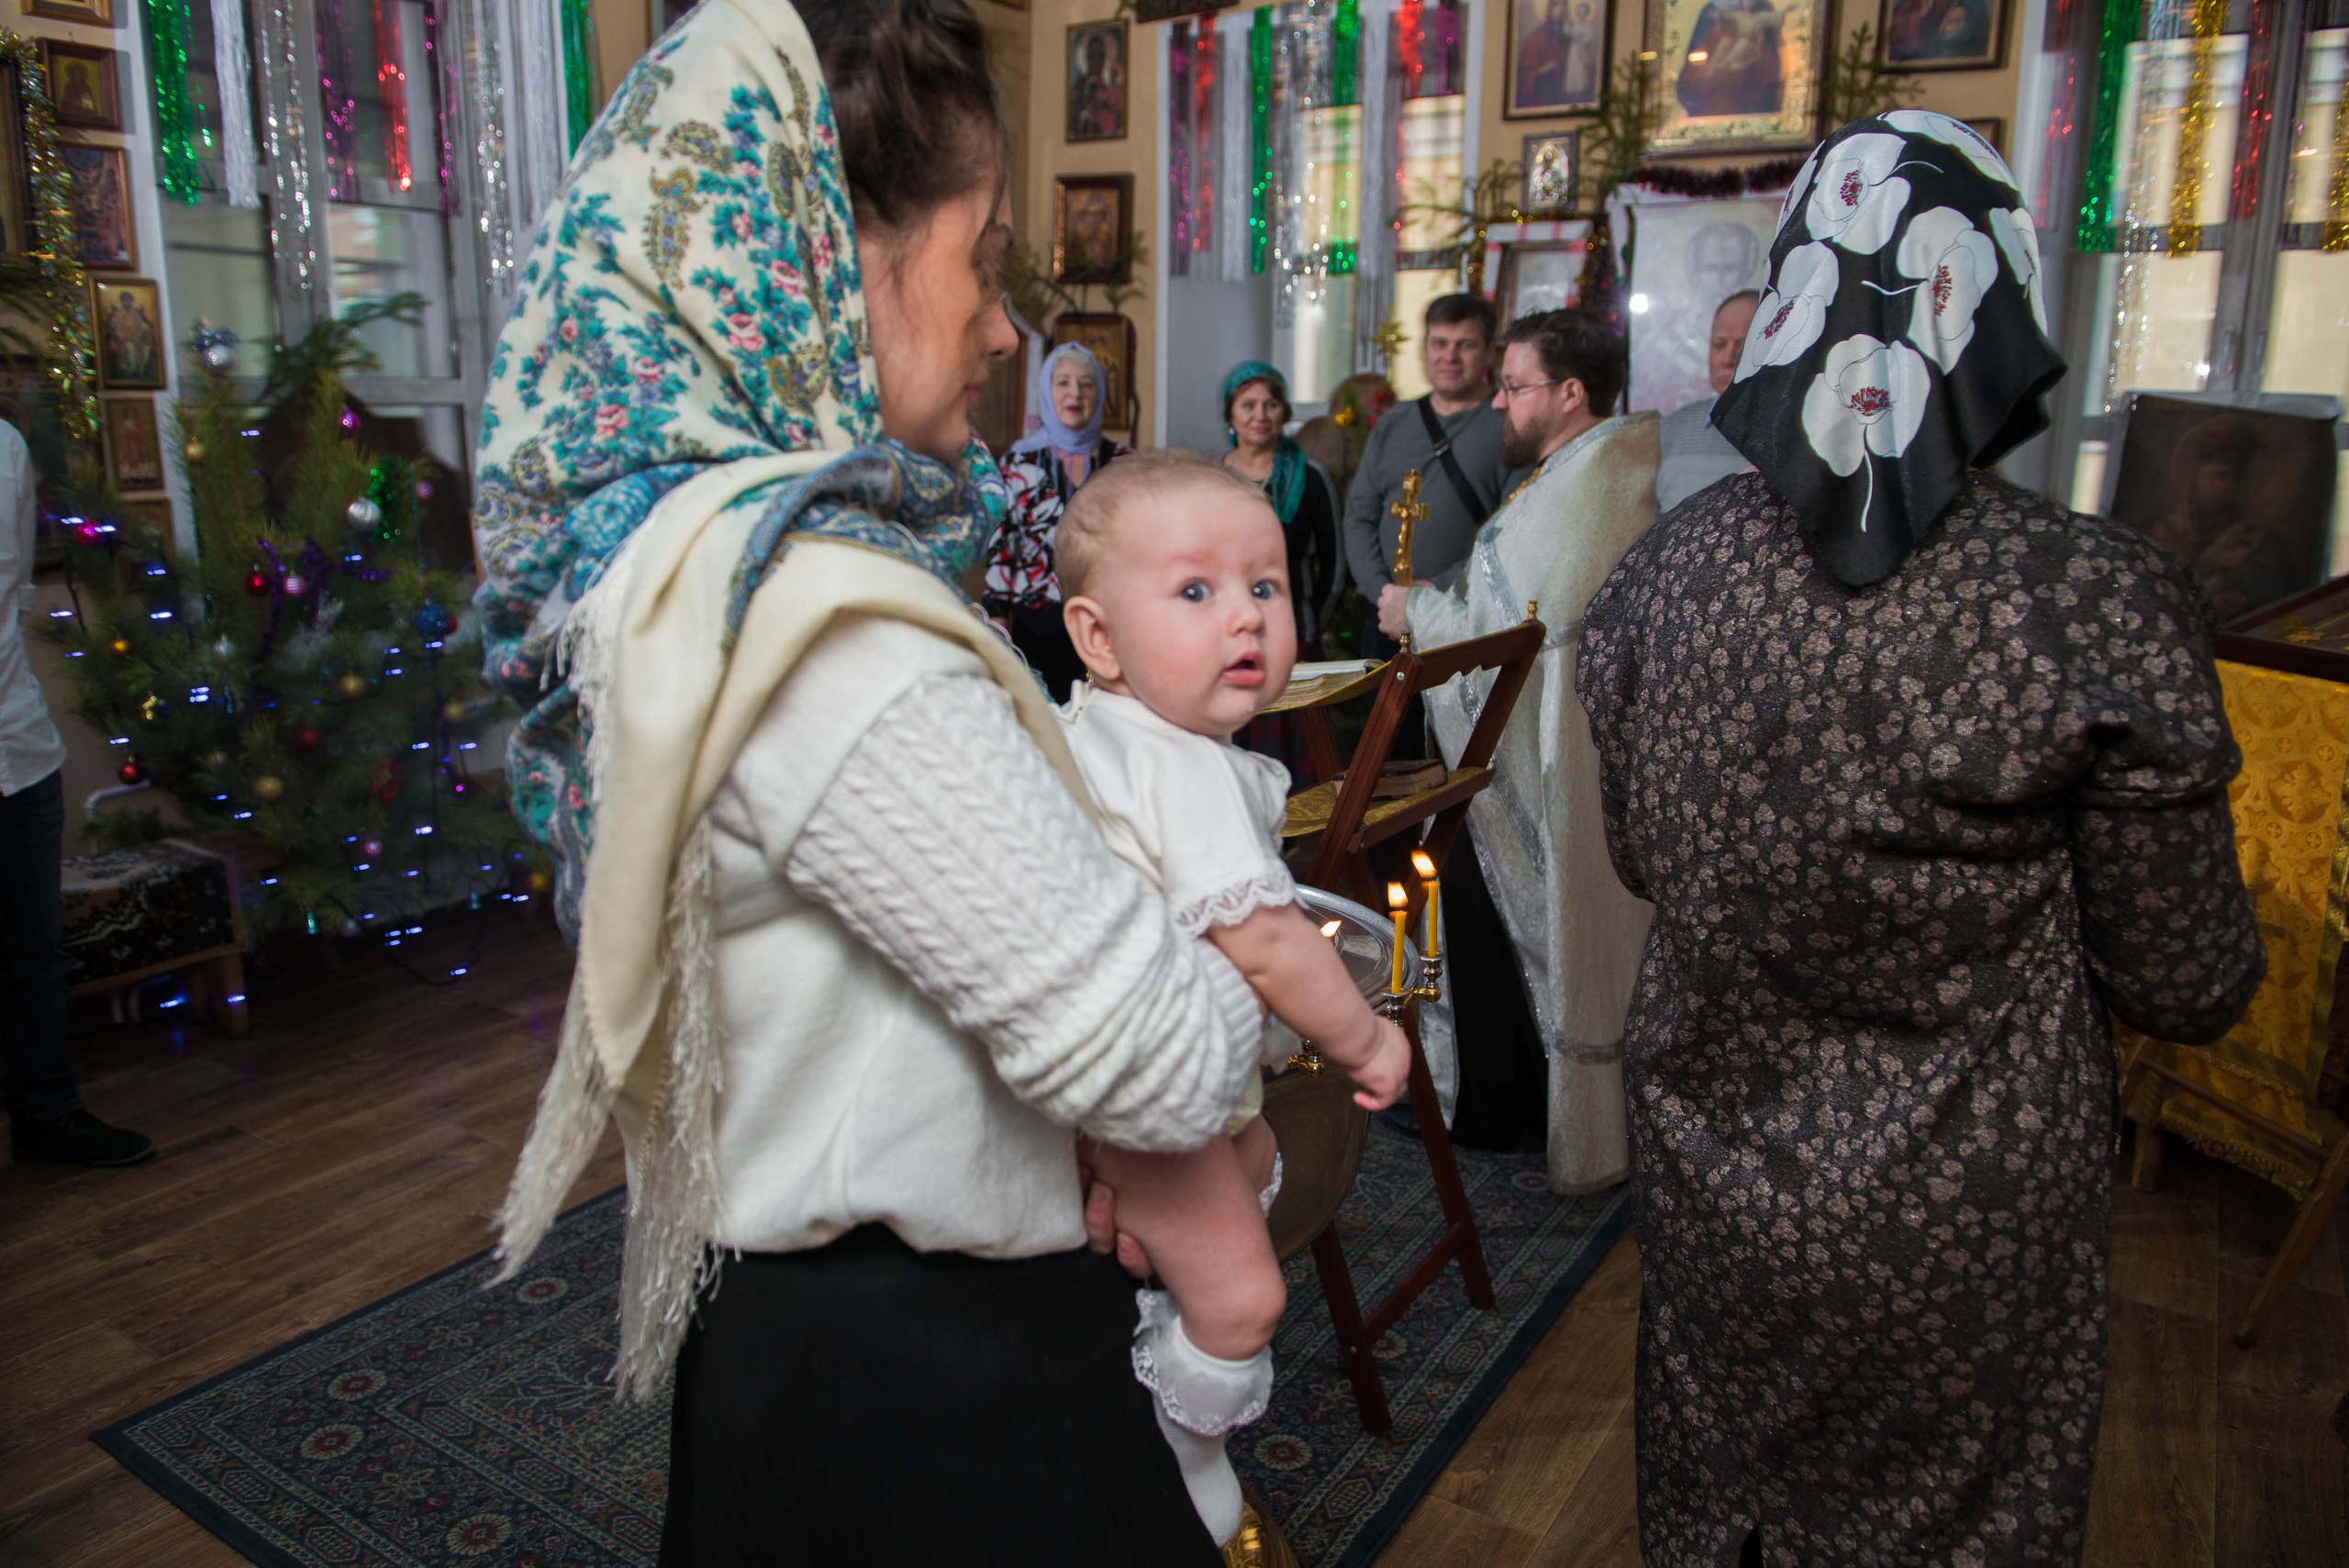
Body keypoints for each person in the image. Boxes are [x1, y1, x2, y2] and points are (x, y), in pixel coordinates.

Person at [473, 2, 1269, 1561]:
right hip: (940, 1382)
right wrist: (1238, 963)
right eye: (979, 263)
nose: (998, 329)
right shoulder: (815, 620)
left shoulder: (700, 565)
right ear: (828, 259)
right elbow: (1158, 1053)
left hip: (825, 1340)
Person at [1575, 113, 2266, 1564]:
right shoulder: (2089, 600)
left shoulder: (1658, 579)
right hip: (1965, 1203)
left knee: (1727, 1504)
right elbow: (2187, 977)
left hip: (1714, 1174)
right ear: (1989, 298)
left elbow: (1647, 862)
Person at [1054, 450, 1410, 1541]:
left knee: (1253, 1163)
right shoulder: (1185, 766)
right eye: (1196, 592)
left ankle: (1153, 1324)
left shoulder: (1107, 734)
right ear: (1097, 637)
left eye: (1265, 586)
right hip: (1154, 1093)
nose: (1246, 620)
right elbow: (1260, 937)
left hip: (1109, 1078)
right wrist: (1365, 1039)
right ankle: (1177, 1454)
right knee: (1245, 1299)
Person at [1375, 309, 1658, 1177]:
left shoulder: (1577, 496)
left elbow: (1499, 655)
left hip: (1525, 776)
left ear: (1570, 393)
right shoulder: (1594, 475)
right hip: (1549, 765)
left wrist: (1415, 613)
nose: (1500, 400)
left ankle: (1497, 1113)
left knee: (1476, 912)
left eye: (1516, 384)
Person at [1, 421, 152, 1169]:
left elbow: (16, 586)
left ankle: (45, 1109)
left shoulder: (7, 449)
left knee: (36, 951)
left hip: (18, 745)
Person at [1342, 294, 1508, 662]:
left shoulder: (1508, 425)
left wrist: (1435, 588)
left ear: (1488, 354)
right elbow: (1359, 515)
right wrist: (1382, 591)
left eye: (1464, 345)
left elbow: (1512, 531)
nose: (1449, 357)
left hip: (1463, 617)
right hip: (1384, 616)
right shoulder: (1393, 424)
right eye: (1439, 344)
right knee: (1384, 721)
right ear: (1424, 350)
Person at [985, 341, 1131, 699]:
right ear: (1047, 392)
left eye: (1086, 383)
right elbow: (1003, 544)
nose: (1075, 393)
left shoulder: (1125, 463)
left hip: (1108, 618)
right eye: (1063, 382)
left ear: (1100, 393)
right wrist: (996, 615)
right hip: (1035, 623)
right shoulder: (1019, 463)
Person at [1219, 361, 1341, 650]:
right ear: (1231, 414)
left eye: (1271, 404)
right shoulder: (1213, 480)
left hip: (1293, 634)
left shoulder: (1311, 478)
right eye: (1248, 405)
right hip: (1225, 634)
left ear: (1284, 412)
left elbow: (1334, 566)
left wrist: (1311, 624)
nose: (1260, 416)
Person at [1655, 289, 1759, 513]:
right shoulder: (1670, 430)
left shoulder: (1786, 435)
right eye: (1719, 344)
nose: (1727, 359)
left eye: (1743, 345)